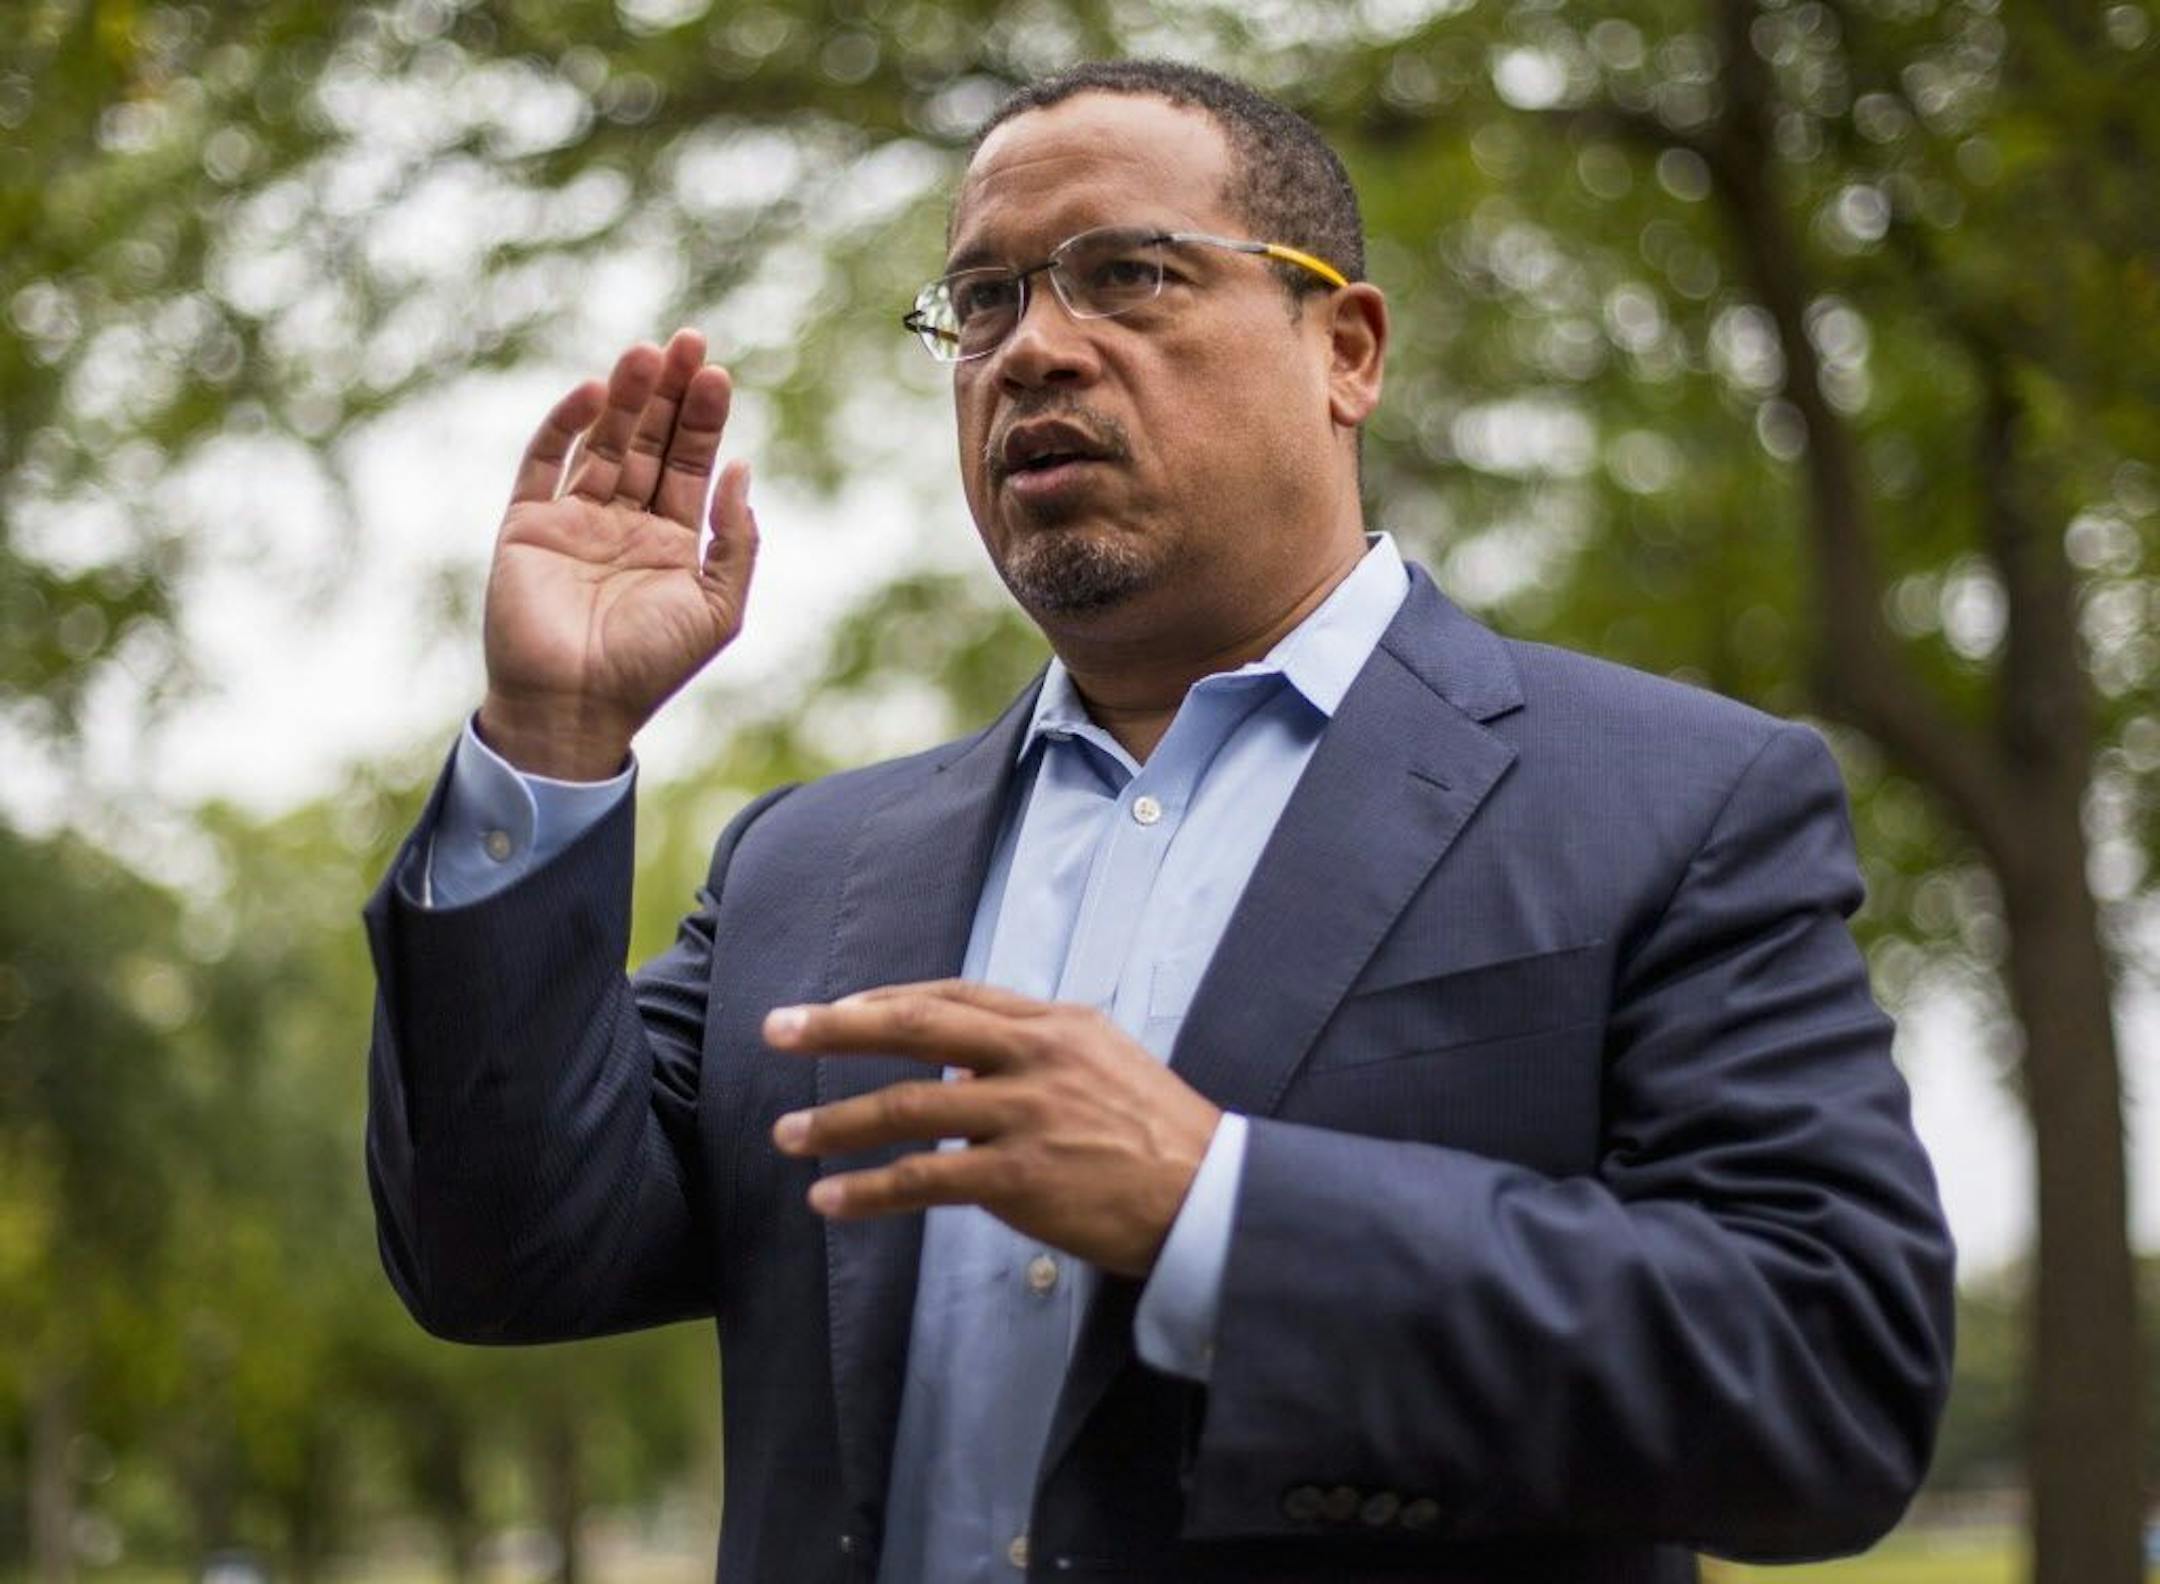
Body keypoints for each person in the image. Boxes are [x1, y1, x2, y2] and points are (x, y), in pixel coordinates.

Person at [364, 59, 1954, 1584]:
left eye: (1128, 274)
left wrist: (1221, 1207)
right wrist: (556, 737)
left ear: (1347, 351)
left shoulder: (1671, 802)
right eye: (982, 301)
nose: (1032, 350)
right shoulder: (810, 868)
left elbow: (1824, 1385)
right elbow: (506, 1259)